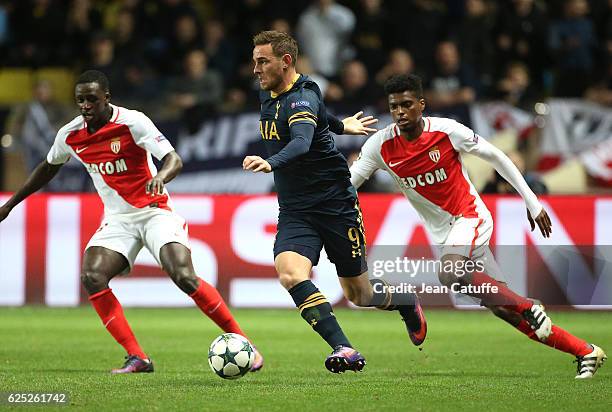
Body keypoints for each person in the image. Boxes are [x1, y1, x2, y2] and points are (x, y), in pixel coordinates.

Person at [0, 70, 263, 374]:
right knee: (92, 276)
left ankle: (246, 343)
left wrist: (160, 178)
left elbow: (173, 159)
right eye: (80, 100)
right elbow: (47, 168)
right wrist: (9, 204)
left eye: (92, 99)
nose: (85, 105)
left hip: (154, 211)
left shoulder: (132, 122)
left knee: (183, 275)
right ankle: (137, 357)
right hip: (118, 220)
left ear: (106, 98)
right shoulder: (70, 135)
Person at [349, 73, 607, 379]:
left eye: (407, 104)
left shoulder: (446, 131)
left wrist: (532, 202)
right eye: (394, 107)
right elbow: (348, 184)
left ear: (421, 104)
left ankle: (527, 305)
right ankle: (585, 351)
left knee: (450, 272)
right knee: (502, 309)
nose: (401, 112)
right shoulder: (380, 145)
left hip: (470, 217)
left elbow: (497, 157)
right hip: (446, 234)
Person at [243, 31, 426, 374]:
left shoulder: (301, 97)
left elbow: (300, 141)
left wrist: (272, 163)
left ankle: (405, 300)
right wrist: (342, 126)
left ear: (286, 62)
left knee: (359, 295)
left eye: (263, 61)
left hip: (335, 204)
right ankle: (344, 347)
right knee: (290, 274)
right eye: (255, 61)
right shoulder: (277, 92)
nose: (256, 68)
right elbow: (319, 116)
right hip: (296, 209)